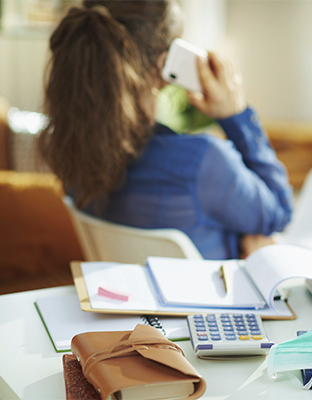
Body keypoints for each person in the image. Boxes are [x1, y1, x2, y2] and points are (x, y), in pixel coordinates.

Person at [37, 0, 294, 260]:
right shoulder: (203, 161)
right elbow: (280, 212)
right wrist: (235, 115)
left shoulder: (70, 149)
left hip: (126, 296)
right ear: (164, 64)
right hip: (210, 297)